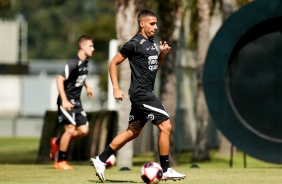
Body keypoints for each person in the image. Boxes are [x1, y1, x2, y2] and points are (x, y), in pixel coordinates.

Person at [90, 10, 186, 182]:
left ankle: (101, 159)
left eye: (156, 23)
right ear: (142, 24)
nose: (155, 27)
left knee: (132, 132)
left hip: (145, 93)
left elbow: (154, 68)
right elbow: (113, 63)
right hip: (141, 94)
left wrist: (162, 54)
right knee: (166, 126)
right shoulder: (133, 44)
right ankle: (165, 169)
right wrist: (116, 88)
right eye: (152, 23)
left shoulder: (152, 43)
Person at [50, 35, 95, 170]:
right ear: (82, 46)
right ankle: (60, 161)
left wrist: (87, 86)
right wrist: (64, 100)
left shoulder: (85, 62)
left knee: (84, 130)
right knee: (70, 129)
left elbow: (79, 76)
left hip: (77, 102)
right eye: (91, 46)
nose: (93, 49)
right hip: (66, 102)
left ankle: (57, 142)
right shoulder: (73, 62)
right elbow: (59, 79)